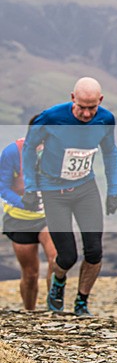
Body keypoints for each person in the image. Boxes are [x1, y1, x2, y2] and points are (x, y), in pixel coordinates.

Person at [22, 77, 117, 316]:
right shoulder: (51, 117)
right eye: (81, 107)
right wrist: (30, 187)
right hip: (53, 191)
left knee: (94, 251)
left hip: (85, 188)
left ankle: (81, 302)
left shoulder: (106, 119)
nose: (87, 114)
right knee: (67, 256)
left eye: (92, 107)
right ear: (72, 98)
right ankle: (58, 283)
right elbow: (28, 149)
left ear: (100, 100)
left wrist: (113, 191)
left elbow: (110, 153)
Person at [0, 122, 57, 311]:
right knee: (31, 274)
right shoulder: (12, 152)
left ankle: (53, 309)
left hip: (48, 215)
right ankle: (29, 313)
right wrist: (23, 202)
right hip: (19, 219)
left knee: (56, 260)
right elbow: (3, 187)